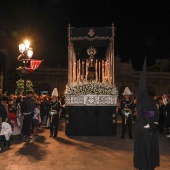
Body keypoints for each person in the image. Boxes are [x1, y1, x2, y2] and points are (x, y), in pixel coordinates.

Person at [134, 57, 159, 170]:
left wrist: (147, 124)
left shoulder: (142, 100)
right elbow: (154, 112)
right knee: (149, 147)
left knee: (144, 148)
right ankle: (150, 164)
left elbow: (145, 112)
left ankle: (143, 165)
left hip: (143, 128)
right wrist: (154, 123)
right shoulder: (150, 99)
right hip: (150, 128)